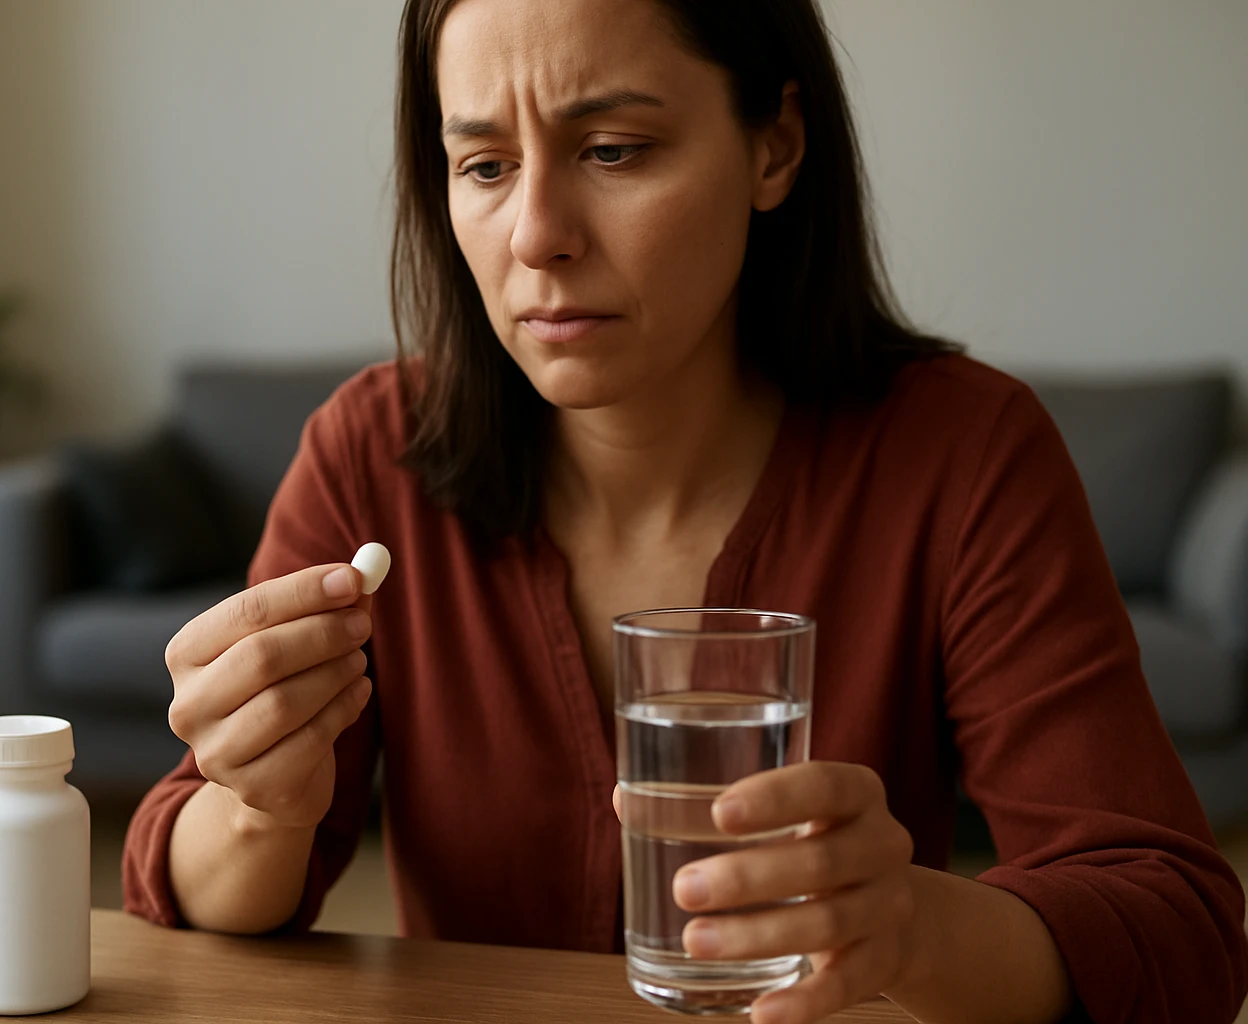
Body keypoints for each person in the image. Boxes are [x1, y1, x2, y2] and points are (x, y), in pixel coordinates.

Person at [123, 1, 1248, 1021]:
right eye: (484, 165)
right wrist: (258, 804)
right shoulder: (374, 453)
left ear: (776, 144)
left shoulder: (964, 456)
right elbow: (187, 892)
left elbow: (1181, 935)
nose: (535, 236)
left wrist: (910, 921)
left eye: (614, 150)